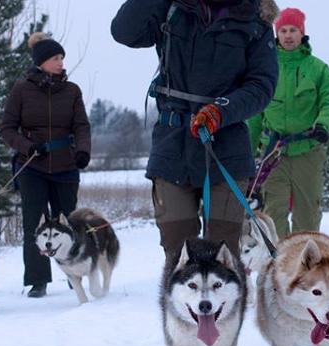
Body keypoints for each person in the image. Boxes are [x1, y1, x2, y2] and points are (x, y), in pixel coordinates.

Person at [111, 0, 279, 262]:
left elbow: (262, 85)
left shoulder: (255, 19)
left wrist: (221, 110)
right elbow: (124, 32)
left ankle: (229, 302)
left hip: (227, 146)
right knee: (178, 252)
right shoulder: (172, 8)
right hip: (172, 146)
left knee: (223, 254)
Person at [0, 32, 91, 298]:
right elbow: (7, 129)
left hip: (66, 166)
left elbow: (81, 126)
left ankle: (74, 274)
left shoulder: (72, 90)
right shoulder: (21, 89)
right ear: (41, 61)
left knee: (70, 223)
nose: (61, 62)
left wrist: (83, 151)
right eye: (55, 58)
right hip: (32, 166)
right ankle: (38, 280)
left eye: (62, 57)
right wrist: (28, 147)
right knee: (34, 223)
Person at [247, 7, 329, 239]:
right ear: (276, 34)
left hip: (307, 152)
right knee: (274, 214)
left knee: (307, 216)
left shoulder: (319, 70)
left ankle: (304, 266)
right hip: (273, 153)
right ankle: (280, 264)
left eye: (293, 30)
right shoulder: (265, 68)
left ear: (302, 34)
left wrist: (323, 124)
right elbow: (255, 115)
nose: (288, 35)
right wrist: (248, 155)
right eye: (283, 30)